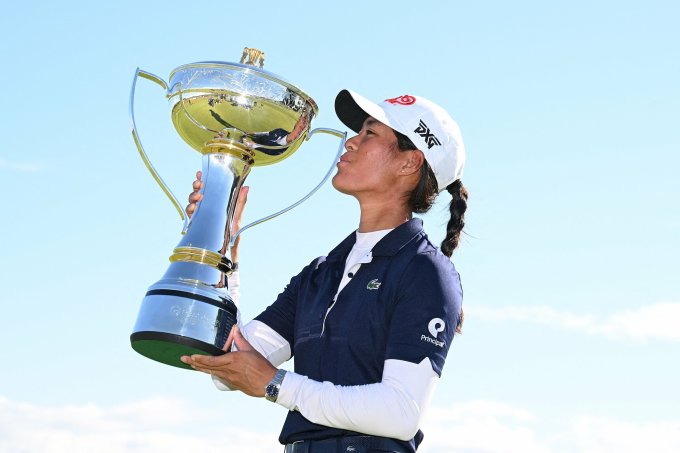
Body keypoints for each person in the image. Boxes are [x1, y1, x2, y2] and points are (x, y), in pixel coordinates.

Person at [181, 89, 468, 453]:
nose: (350, 143)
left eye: (369, 133)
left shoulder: (426, 271)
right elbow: (227, 366)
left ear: (409, 163)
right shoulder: (321, 273)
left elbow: (400, 412)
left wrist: (276, 384)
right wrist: (221, 247)